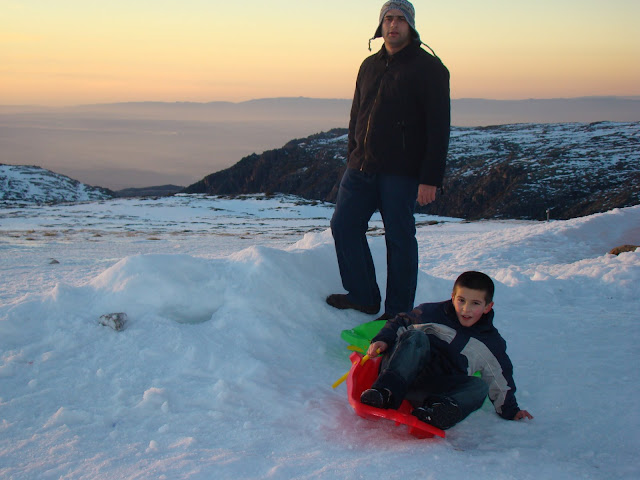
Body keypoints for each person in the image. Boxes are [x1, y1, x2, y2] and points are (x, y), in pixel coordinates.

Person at [327, 0, 450, 320]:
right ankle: (363, 295)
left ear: (411, 26)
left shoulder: (430, 68)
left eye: (400, 20)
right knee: (343, 225)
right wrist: (352, 153)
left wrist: (430, 178)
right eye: (388, 20)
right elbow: (357, 114)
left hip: (402, 172)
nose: (393, 25)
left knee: (399, 239)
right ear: (380, 26)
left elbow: (439, 127)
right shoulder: (368, 65)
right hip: (361, 166)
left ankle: (397, 312)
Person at [359, 271, 534, 430]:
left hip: (434, 389)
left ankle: (437, 412)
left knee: (479, 386)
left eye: (475, 303)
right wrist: (383, 340)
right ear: (453, 297)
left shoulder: (489, 342)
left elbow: (500, 375)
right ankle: (385, 393)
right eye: (461, 300)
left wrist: (511, 410)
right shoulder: (431, 314)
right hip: (400, 373)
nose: (466, 309)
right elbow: (399, 322)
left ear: (488, 306)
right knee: (416, 338)